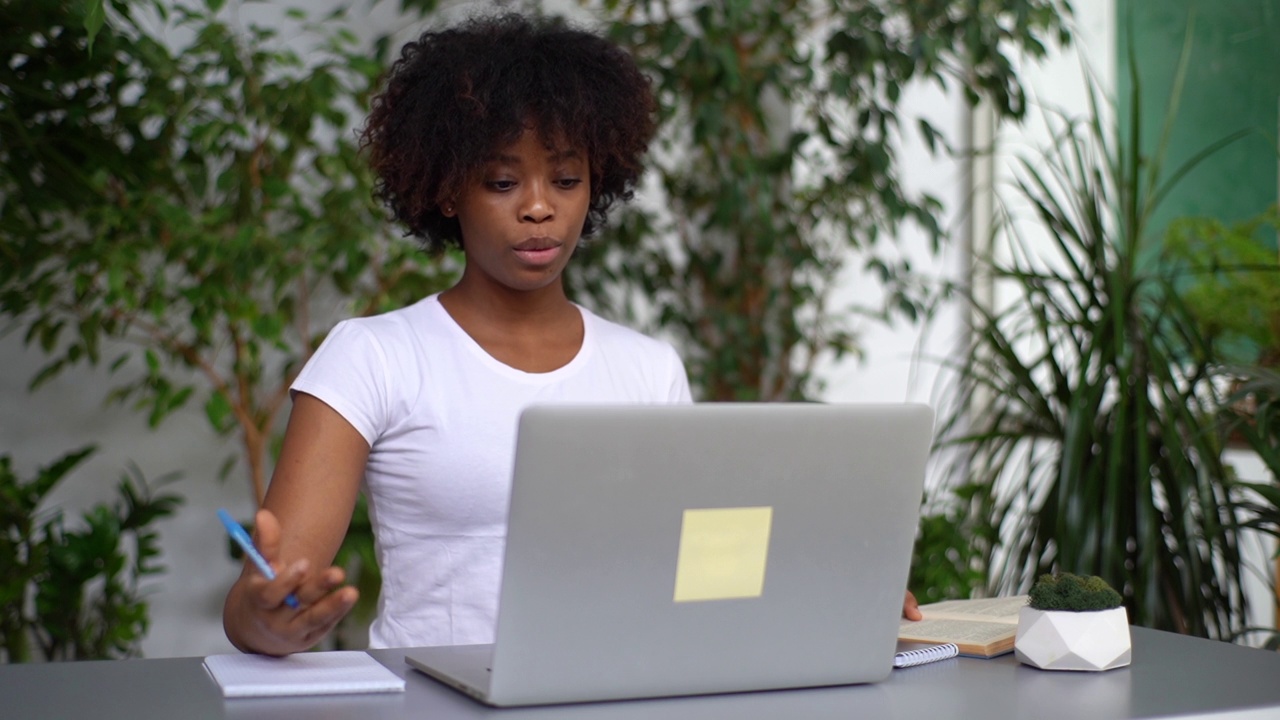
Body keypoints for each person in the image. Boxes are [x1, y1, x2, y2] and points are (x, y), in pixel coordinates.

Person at [221, 12, 691, 656]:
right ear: (448, 192)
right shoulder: (374, 357)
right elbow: (265, 599)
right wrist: (267, 619)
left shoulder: (649, 369)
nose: (537, 206)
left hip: (609, 693)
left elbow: (680, 573)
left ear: (596, 185)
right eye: (501, 182)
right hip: (435, 699)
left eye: (566, 179)